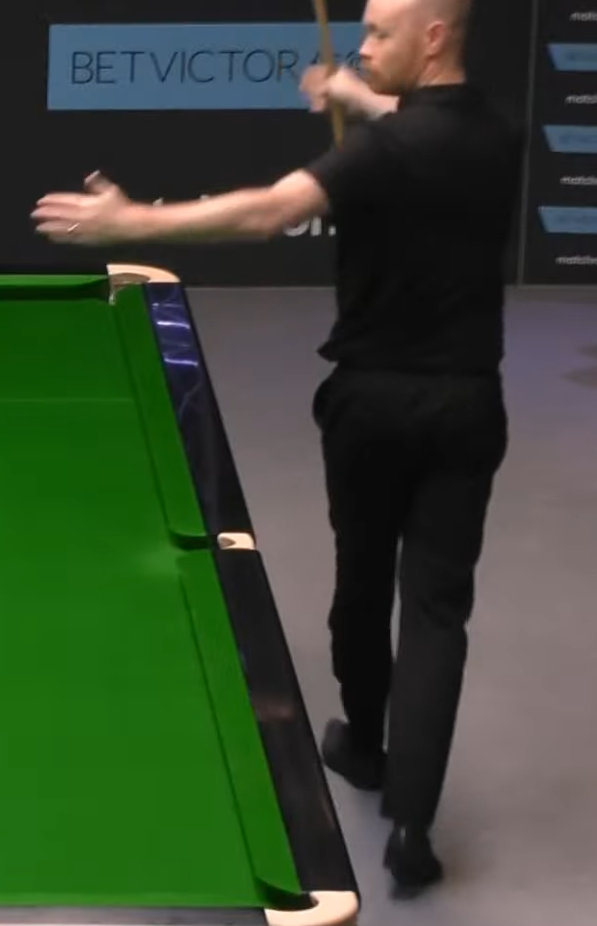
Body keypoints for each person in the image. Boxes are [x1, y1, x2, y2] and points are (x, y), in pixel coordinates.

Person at [32, 0, 523, 899]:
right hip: (467, 405)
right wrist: (353, 92)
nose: (364, 48)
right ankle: (411, 828)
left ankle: (362, 746)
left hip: (372, 405)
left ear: (433, 38)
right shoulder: (497, 134)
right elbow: (424, 123)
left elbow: (269, 213)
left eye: (379, 35)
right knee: (436, 611)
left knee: (362, 583)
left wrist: (129, 222)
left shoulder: (380, 153)